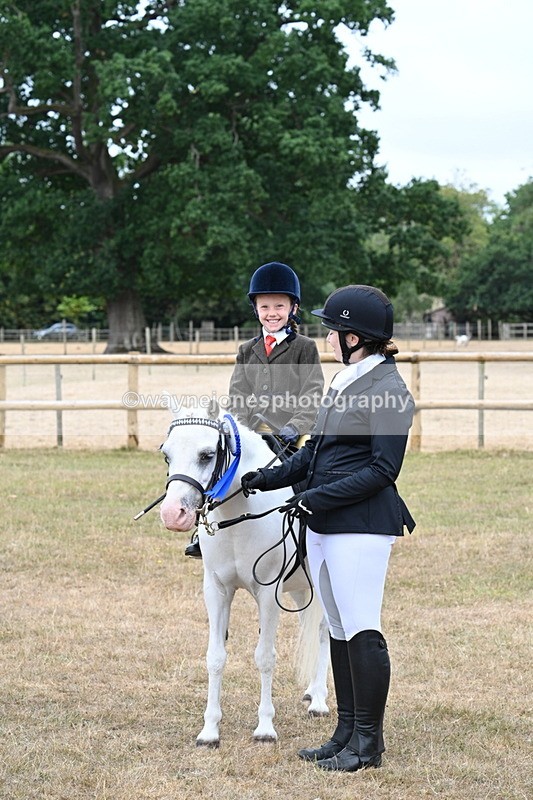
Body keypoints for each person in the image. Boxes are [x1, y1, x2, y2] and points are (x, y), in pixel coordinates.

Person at [240, 284, 416, 772]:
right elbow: (315, 454)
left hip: (359, 526)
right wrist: (264, 478)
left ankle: (368, 744)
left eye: (333, 331)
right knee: (338, 629)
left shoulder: (389, 391)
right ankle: (345, 732)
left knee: (362, 630)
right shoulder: (346, 382)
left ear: (356, 338)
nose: (327, 339)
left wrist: (314, 498)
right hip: (324, 523)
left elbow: (384, 470)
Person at [184, 261, 324, 558]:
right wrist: (243, 426)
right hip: (249, 433)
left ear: (293, 308)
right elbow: (237, 395)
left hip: (286, 438)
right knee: (216, 472)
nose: (271, 313)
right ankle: (202, 531)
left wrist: (293, 429)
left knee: (302, 476)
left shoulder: (305, 347)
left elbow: (311, 396)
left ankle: (307, 536)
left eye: (279, 306)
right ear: (256, 309)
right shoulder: (247, 349)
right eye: (265, 307)